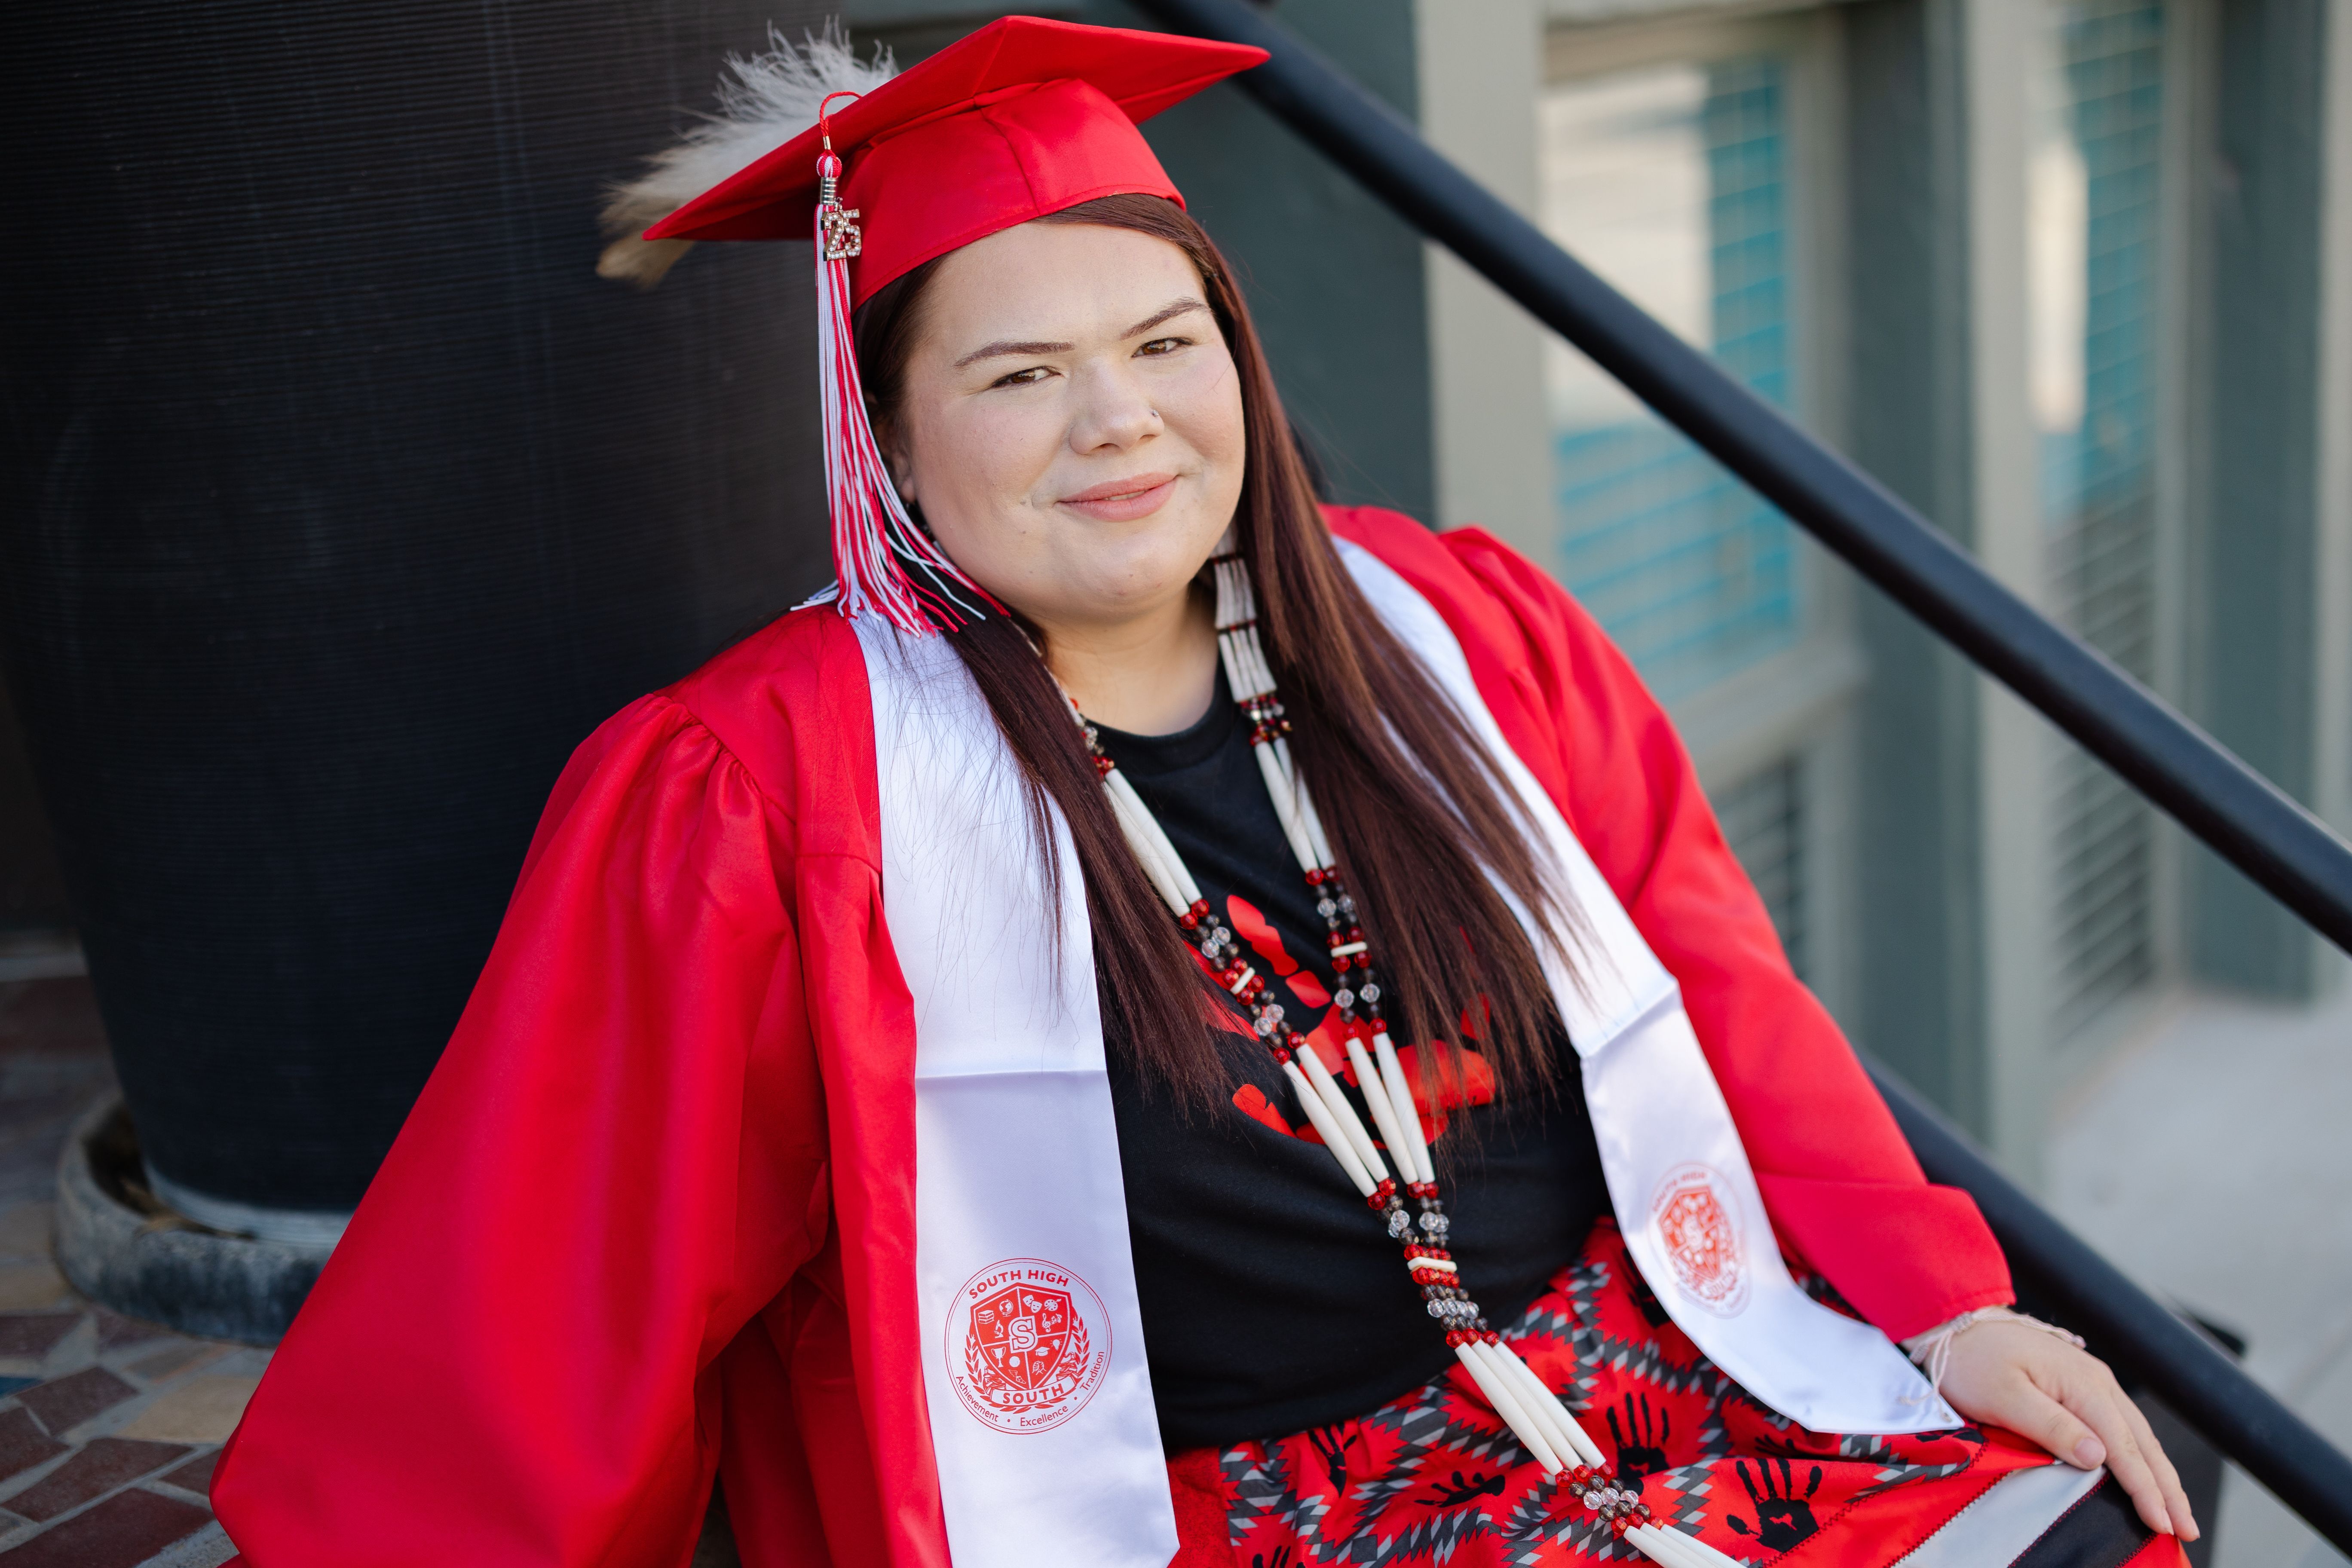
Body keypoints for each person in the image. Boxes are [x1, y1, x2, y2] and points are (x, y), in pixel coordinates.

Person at [211, 18, 2198, 1568]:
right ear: (887, 442)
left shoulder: (1456, 633)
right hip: (1197, 1509)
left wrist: (1941, 1310)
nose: (1120, 423)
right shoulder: (764, 793)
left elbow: (1721, 990)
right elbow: (546, 1288)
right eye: (1015, 377)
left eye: (1166, 341)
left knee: (2117, 1491)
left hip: (1653, 1383)